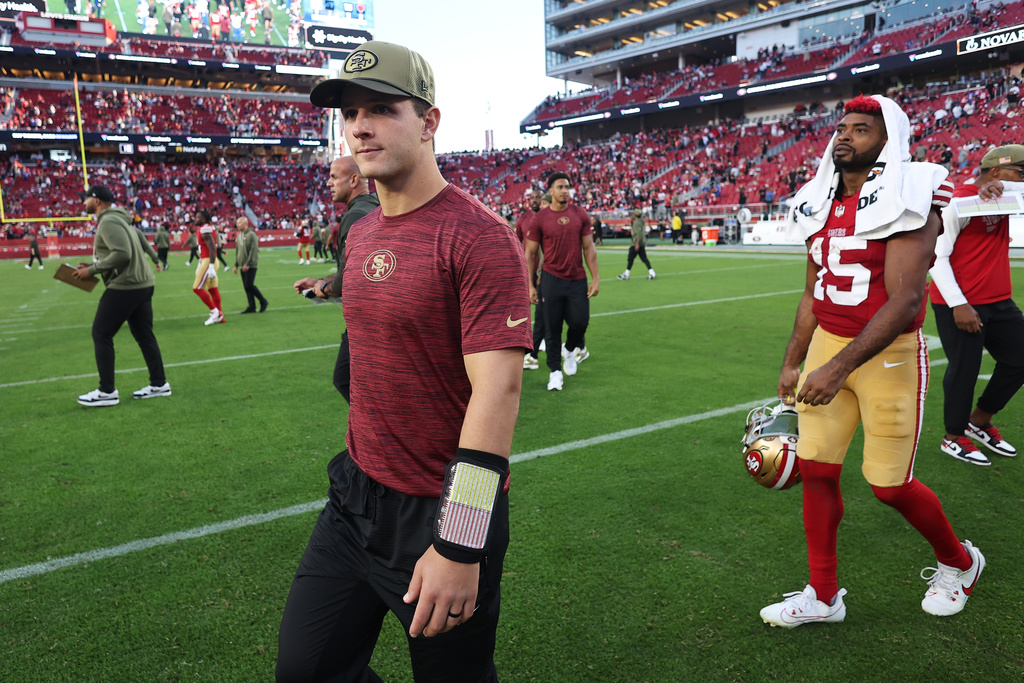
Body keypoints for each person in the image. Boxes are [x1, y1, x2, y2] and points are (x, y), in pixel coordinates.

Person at [276, 41, 532, 683]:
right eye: (350, 112)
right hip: (355, 496)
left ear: (429, 122)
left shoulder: (480, 237)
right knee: (304, 671)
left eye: (382, 109)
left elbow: (497, 394)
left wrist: (459, 543)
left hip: (440, 511)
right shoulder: (360, 233)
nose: (360, 125)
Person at [762, 95, 983, 628]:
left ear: (889, 142)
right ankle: (823, 594)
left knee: (888, 485)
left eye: (861, 129)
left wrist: (835, 370)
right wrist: (795, 361)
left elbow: (907, 300)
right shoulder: (821, 201)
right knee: (816, 471)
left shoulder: (911, 194)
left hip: (890, 356)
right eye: (841, 128)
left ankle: (960, 562)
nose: (845, 137)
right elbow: (812, 291)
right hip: (826, 346)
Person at [930, 144, 1024, 466]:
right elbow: (936, 256)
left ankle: (979, 421)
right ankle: (953, 436)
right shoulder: (959, 201)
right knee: (964, 371)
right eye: (1021, 173)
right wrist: (959, 304)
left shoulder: (1007, 196)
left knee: (1020, 359)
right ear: (996, 171)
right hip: (960, 302)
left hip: (999, 301)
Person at [73, 186, 170, 407]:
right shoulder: (120, 220)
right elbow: (121, 252)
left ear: (96, 201)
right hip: (142, 283)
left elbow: (122, 253)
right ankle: (159, 384)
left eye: (86, 198)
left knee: (101, 333)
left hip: (127, 284)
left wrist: (92, 271)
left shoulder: (108, 221)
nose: (84, 202)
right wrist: (94, 265)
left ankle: (107, 391)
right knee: (144, 335)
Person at [294, 156, 380, 403]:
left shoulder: (354, 217)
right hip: (380, 315)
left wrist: (323, 289)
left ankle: (372, 438)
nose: (329, 183)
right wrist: (320, 280)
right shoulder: (374, 206)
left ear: (354, 180)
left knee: (345, 379)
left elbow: (349, 281)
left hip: (366, 319)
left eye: (334, 177)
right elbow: (357, 269)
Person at [524, 172, 599, 391]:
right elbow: (530, 253)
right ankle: (555, 371)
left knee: (580, 322)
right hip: (551, 279)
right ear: (551, 190)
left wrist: (595, 277)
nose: (565, 190)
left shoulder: (580, 214)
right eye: (560, 187)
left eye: (567, 186)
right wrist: (530, 284)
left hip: (577, 279)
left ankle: (570, 349)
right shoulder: (540, 218)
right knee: (552, 327)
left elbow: (589, 248)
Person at [516, 190, 546, 371]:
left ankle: (540, 342)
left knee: (545, 309)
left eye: (538, 198)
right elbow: (515, 242)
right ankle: (527, 344)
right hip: (526, 271)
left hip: (545, 271)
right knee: (524, 308)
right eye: (533, 198)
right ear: (529, 200)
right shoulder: (523, 220)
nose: (535, 200)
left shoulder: (547, 218)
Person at [191, 209, 225, 326]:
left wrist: (210, 266)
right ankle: (220, 315)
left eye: (198, 217)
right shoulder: (206, 228)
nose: (196, 219)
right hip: (206, 260)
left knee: (197, 288)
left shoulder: (205, 228)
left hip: (208, 260)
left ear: (204, 219)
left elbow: (212, 249)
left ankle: (214, 311)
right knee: (213, 289)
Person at [233, 215, 268, 314]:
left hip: (251, 265)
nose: (237, 225)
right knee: (246, 287)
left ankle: (263, 301)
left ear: (245, 223)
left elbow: (253, 251)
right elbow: (238, 251)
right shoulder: (239, 235)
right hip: (242, 264)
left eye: (239, 223)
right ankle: (252, 307)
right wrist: (236, 265)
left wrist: (248, 264)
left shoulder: (251, 234)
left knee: (249, 285)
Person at [617, 209, 656, 280]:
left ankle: (627, 274)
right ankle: (652, 272)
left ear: (635, 215)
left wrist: (637, 244)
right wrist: (631, 221)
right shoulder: (640, 222)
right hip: (641, 242)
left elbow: (638, 233)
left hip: (636, 243)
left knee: (630, 258)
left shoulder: (637, 223)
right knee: (644, 258)